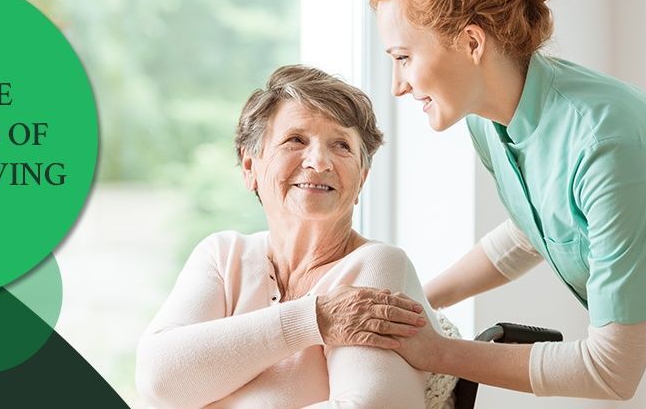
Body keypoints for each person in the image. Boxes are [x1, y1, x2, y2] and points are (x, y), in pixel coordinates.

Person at [367, 0, 646, 406]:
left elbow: (611, 371)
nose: (398, 84)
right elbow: (538, 229)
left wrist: (438, 352)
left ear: (472, 42)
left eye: (404, 56)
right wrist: (418, 304)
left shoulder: (607, 148)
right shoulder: (489, 120)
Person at [136, 65, 450, 408]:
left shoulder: (376, 266)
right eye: (295, 140)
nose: (318, 161)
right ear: (249, 167)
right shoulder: (223, 256)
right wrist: (314, 319)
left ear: (361, 178)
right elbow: (158, 381)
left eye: (341, 145)